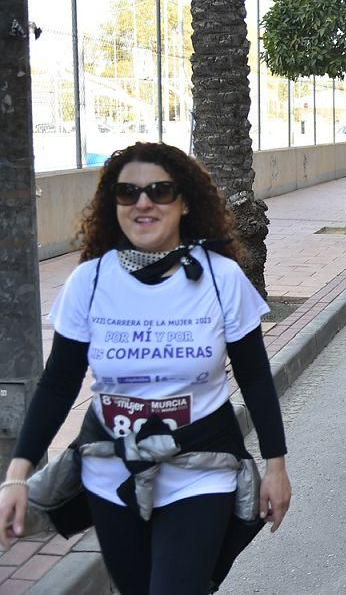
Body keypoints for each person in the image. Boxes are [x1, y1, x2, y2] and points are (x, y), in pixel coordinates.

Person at [0, 143, 291, 594]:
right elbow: (58, 383)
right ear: (111, 204)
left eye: (160, 190)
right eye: (127, 192)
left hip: (201, 465)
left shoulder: (220, 277)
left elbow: (253, 375)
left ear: (185, 201)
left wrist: (276, 465)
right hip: (109, 470)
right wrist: (17, 476)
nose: (143, 202)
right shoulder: (90, 280)